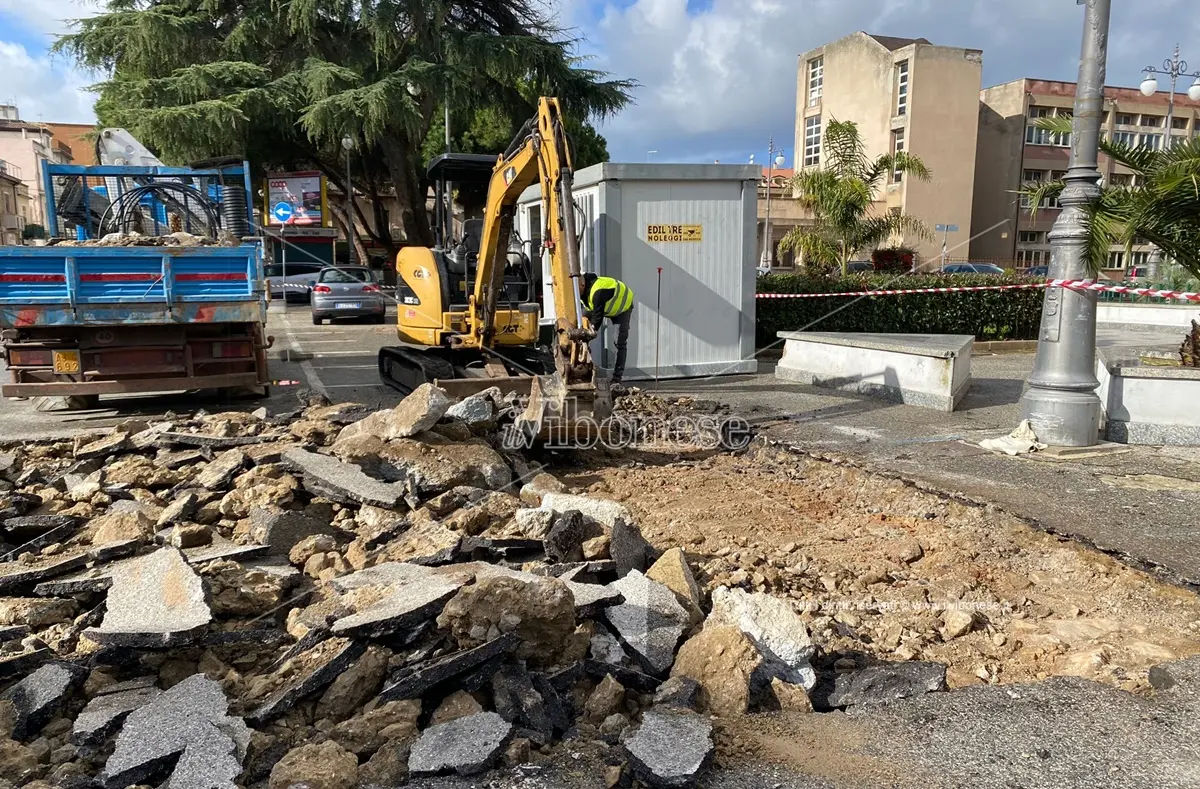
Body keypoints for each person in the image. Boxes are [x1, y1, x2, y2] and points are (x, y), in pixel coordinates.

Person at [579, 272, 635, 385]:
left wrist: (589, 334)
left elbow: (597, 318)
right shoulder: (582, 292)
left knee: (619, 342)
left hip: (622, 308)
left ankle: (616, 379)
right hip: (602, 306)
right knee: (581, 328)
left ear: (582, 284)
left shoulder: (598, 292)